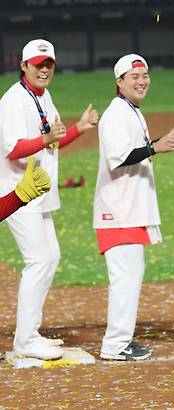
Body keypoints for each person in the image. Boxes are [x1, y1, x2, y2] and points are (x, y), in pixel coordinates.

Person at [0, 39, 98, 360]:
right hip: (17, 192)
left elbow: (51, 141)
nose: (44, 69)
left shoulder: (43, 96)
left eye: (49, 64)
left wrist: (78, 129)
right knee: (39, 259)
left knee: (50, 256)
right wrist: (47, 138)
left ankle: (32, 332)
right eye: (38, 64)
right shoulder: (14, 100)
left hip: (39, 193)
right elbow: (14, 148)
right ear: (23, 66)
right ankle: (25, 340)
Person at [94, 54, 174, 361]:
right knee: (125, 279)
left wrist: (161, 141)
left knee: (130, 278)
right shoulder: (115, 114)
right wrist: (154, 147)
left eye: (145, 75)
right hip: (117, 211)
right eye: (134, 76)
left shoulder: (131, 111)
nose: (142, 81)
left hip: (128, 210)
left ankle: (120, 341)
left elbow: (135, 151)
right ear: (119, 82)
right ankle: (115, 345)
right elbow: (118, 157)